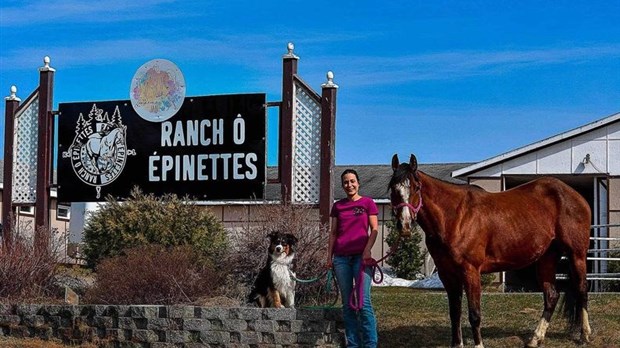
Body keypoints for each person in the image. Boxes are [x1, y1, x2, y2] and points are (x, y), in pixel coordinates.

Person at [327, 169, 379, 348]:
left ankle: (370, 344)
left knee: (363, 303)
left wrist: (367, 250)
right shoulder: (338, 206)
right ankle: (353, 344)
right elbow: (333, 233)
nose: (349, 185)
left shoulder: (368, 203)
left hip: (361, 259)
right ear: (342, 185)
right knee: (347, 304)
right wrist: (329, 257)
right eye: (346, 182)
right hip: (341, 259)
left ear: (358, 183)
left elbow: (374, 230)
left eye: (352, 181)